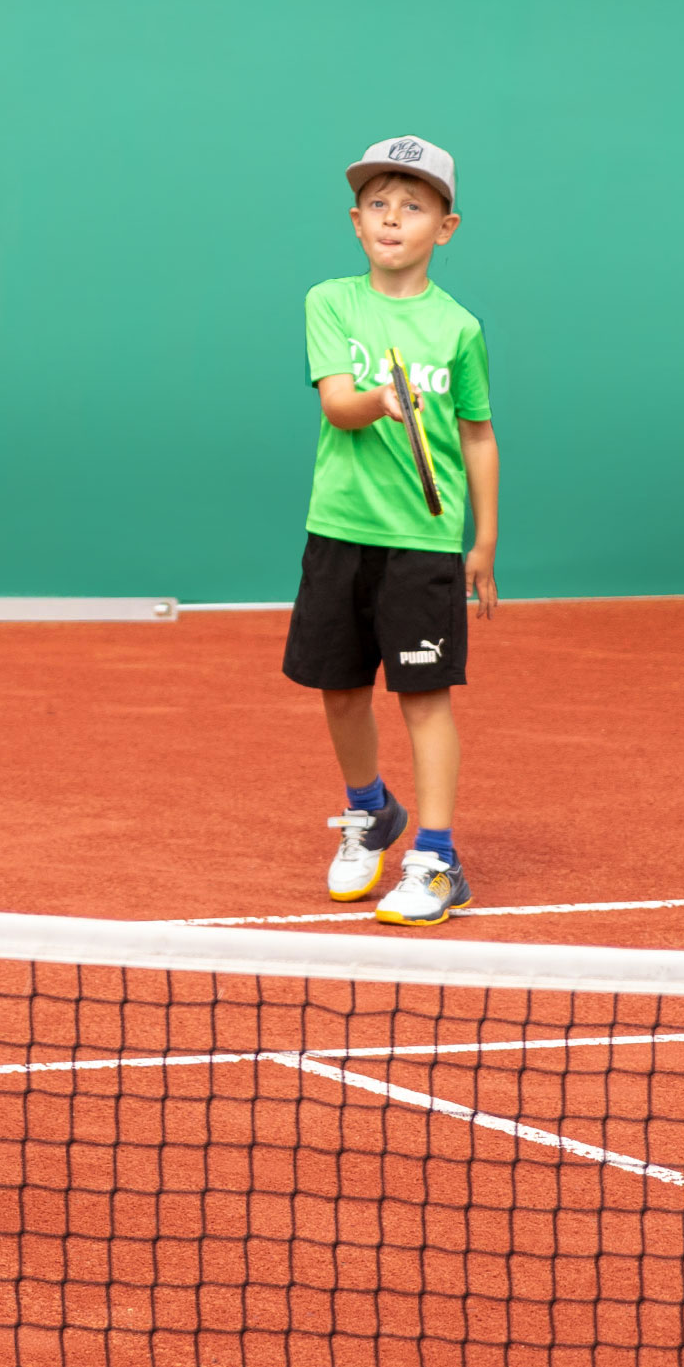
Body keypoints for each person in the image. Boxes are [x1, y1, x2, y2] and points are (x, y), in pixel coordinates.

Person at [283, 136, 499, 927]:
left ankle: (437, 859)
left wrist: (482, 542)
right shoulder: (331, 303)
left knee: (423, 695)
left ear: (445, 227)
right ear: (355, 221)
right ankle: (370, 811)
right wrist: (381, 401)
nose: (393, 217)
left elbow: (478, 434)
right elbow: (339, 403)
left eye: (413, 205)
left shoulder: (459, 328)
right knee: (340, 688)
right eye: (378, 204)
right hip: (340, 530)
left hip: (425, 542)